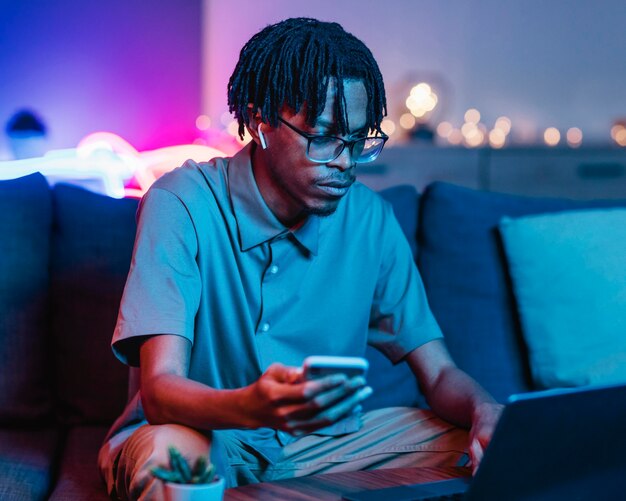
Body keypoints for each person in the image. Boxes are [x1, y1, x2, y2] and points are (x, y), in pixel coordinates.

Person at [98, 17, 503, 500]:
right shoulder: (181, 202)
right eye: (324, 137)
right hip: (197, 431)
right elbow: (162, 391)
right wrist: (253, 407)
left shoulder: (371, 220)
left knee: (491, 451)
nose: (345, 162)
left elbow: (437, 374)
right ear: (258, 121)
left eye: (358, 142)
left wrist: (485, 410)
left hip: (319, 447)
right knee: (180, 469)